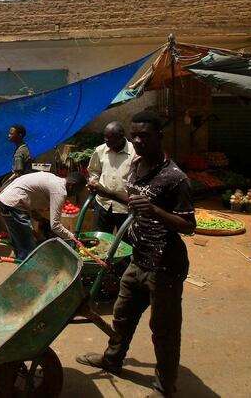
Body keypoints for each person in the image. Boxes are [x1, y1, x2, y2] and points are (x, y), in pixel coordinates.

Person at [76, 110, 195, 398]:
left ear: (159, 137)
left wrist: (154, 210)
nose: (139, 141)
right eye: (135, 135)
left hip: (165, 264)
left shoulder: (174, 178)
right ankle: (113, 359)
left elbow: (189, 226)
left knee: (163, 330)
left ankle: (165, 388)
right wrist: (105, 191)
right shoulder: (137, 165)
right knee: (122, 314)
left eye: (145, 135)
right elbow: (133, 201)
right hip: (138, 256)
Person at [0, 171, 87, 261]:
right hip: (12, 204)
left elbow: (29, 193)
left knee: (20, 241)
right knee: (28, 249)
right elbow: (55, 226)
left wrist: (40, 218)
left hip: (6, 200)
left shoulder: (54, 179)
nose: (75, 194)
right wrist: (74, 238)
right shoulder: (59, 191)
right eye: (77, 191)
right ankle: (29, 271)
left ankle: (22, 263)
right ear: (72, 185)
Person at [87, 121, 135, 234]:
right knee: (99, 239)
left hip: (124, 207)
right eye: (105, 137)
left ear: (121, 137)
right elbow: (94, 170)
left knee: (125, 244)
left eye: (110, 137)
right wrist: (94, 182)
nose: (106, 140)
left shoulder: (135, 152)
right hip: (103, 204)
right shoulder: (100, 150)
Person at [0, 124, 32, 196]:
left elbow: (17, 175)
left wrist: (0, 190)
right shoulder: (24, 147)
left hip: (22, 182)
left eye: (11, 134)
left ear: (19, 135)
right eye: (9, 133)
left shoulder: (19, 153)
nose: (8, 135)